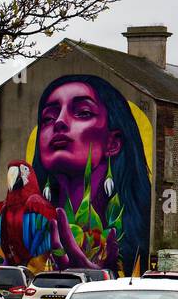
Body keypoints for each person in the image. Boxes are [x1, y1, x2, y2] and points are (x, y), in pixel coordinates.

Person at [31, 75, 151, 277]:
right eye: (48, 118)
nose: (59, 122)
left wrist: (100, 278)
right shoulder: (30, 224)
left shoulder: (132, 230)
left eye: (83, 113)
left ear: (113, 143)